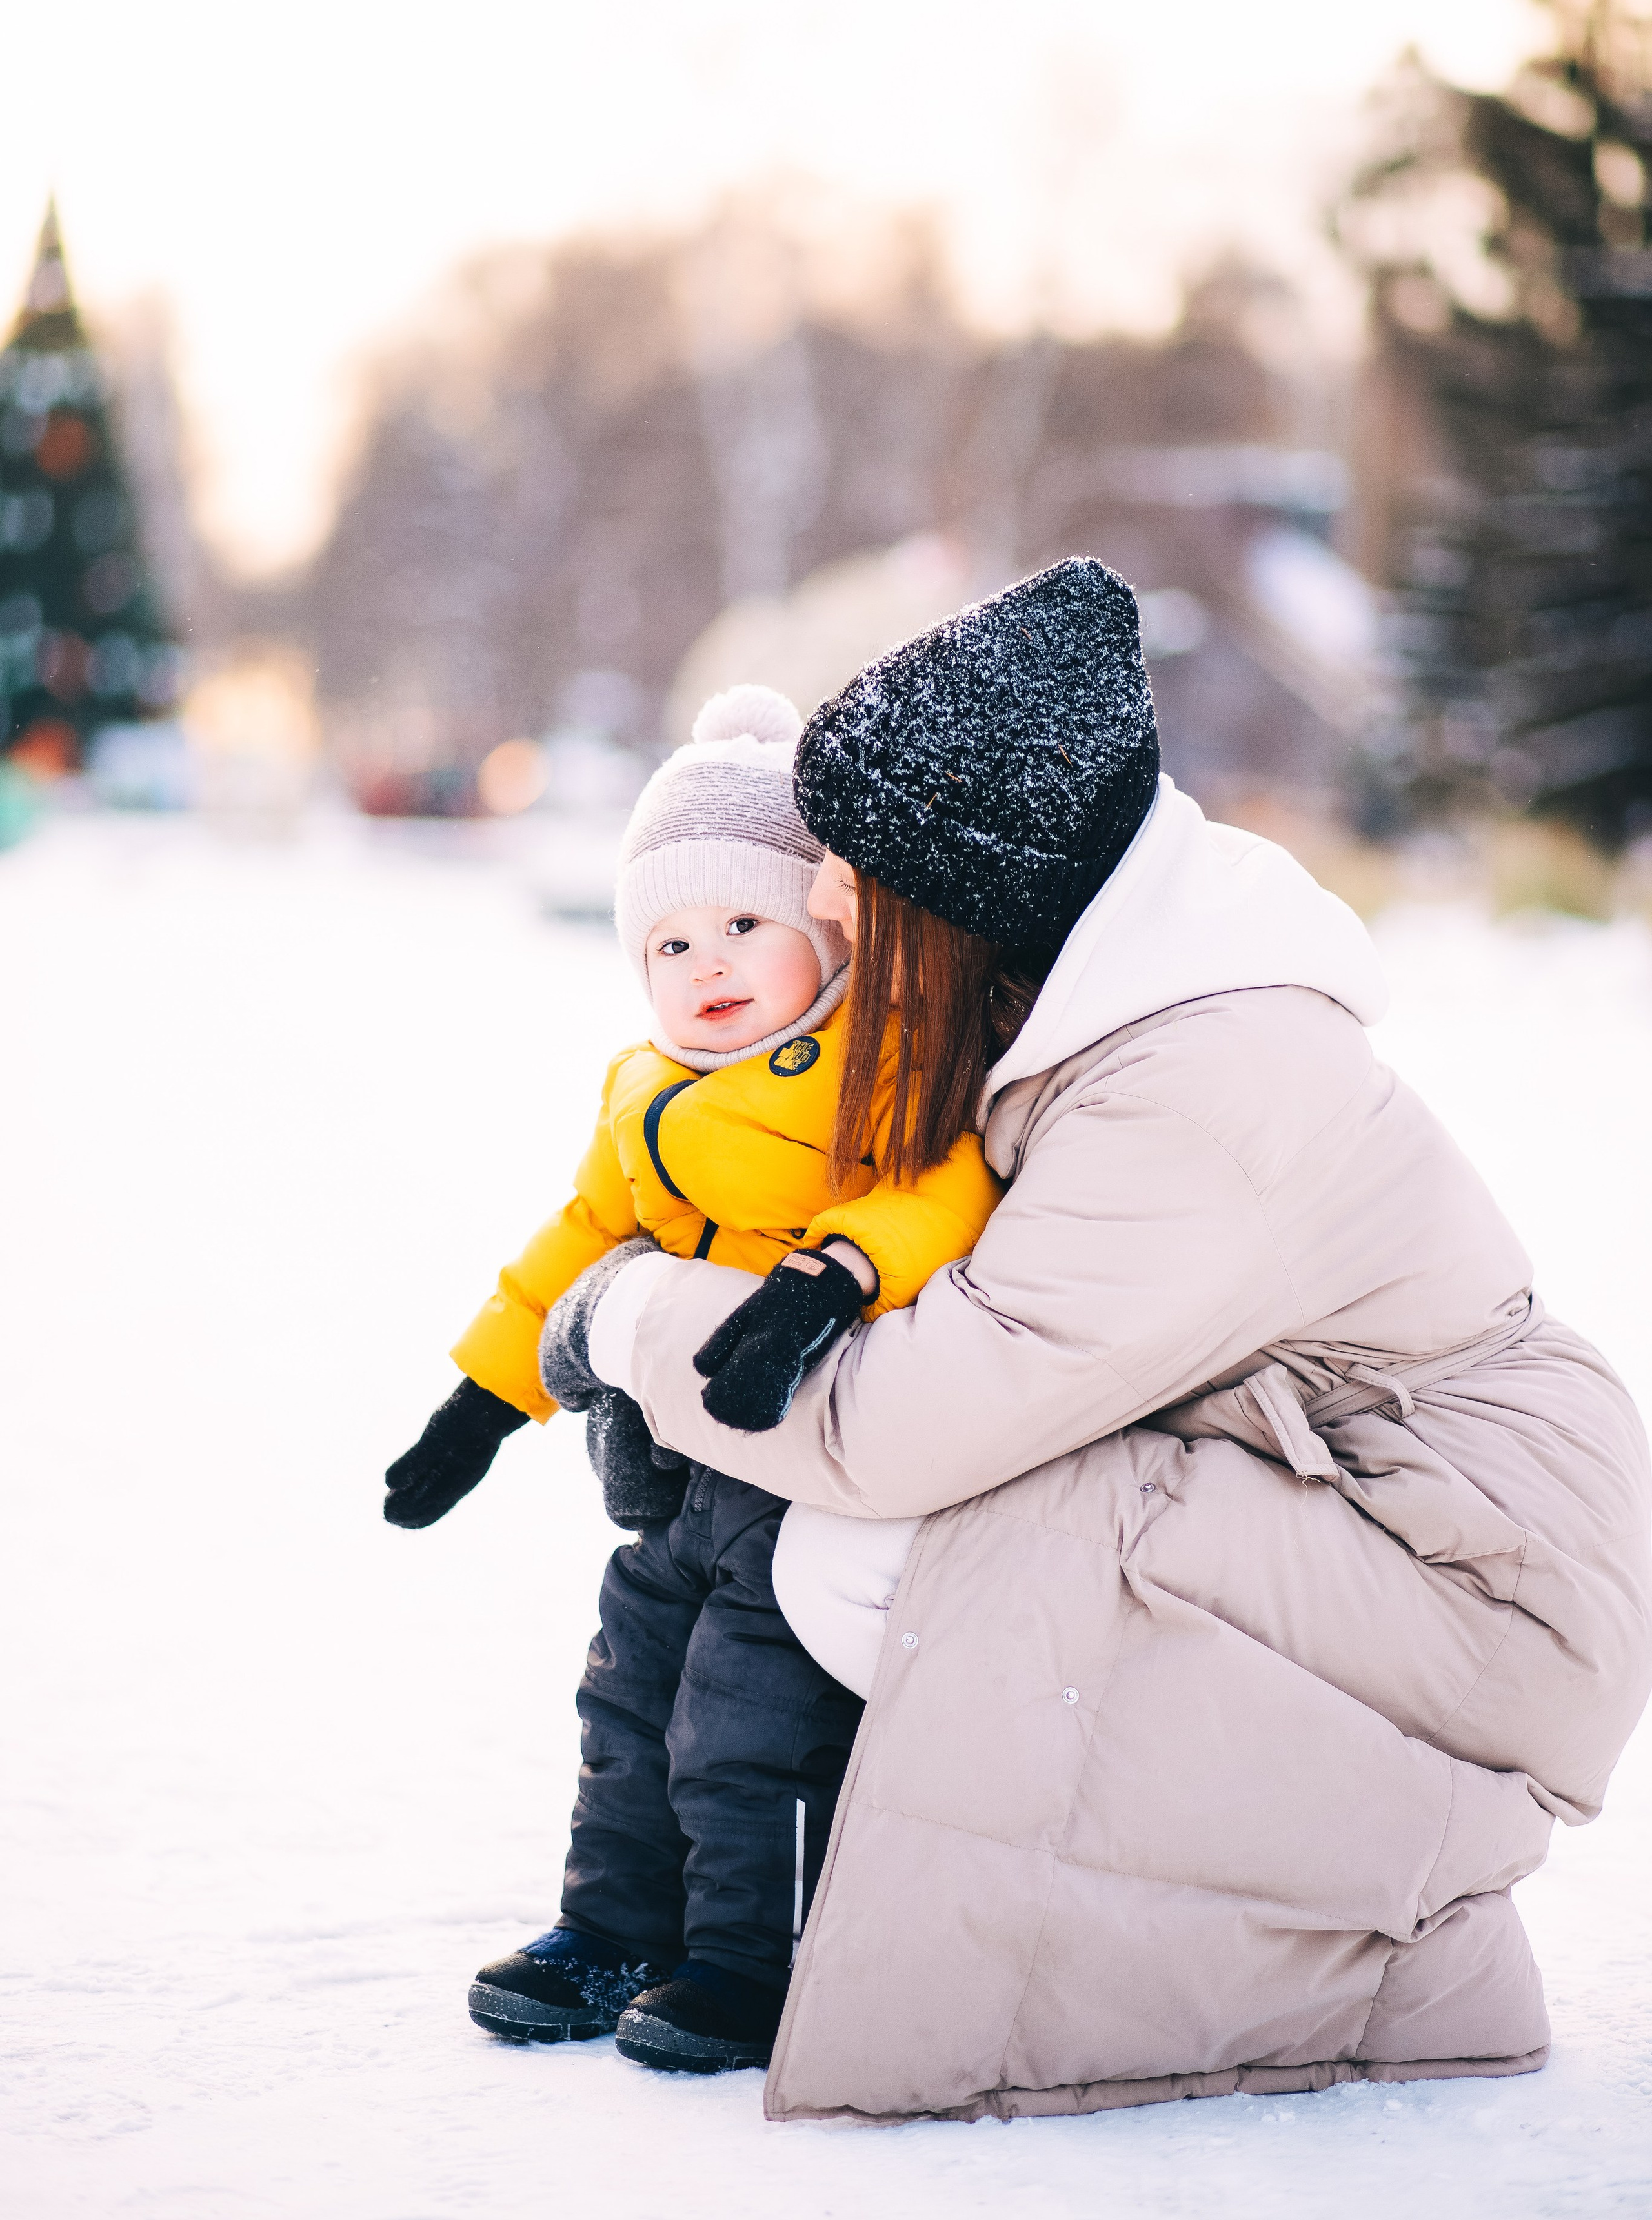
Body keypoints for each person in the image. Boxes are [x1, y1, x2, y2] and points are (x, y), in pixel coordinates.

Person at [578, 556, 1652, 2125]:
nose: (819, 901)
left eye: (851, 870)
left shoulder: (1193, 1087)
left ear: (961, 889)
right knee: (893, 1544)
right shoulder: (1089, 1002)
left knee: (885, 1558)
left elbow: (898, 1429)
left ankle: (1372, 1937)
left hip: (1476, 1569)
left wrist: (625, 1317)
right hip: (1359, 1491)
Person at [381, 687, 999, 2075]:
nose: (705, 965)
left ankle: (748, 1963)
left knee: (749, 1715)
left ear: (824, 933)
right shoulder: (643, 1089)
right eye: (669, 942)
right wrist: (483, 1401)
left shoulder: (876, 1061)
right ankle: (611, 1930)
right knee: (629, 1696)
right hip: (674, 1472)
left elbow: (945, 1192)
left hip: (808, 1463)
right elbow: (572, 1247)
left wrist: (828, 1277)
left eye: (743, 926)